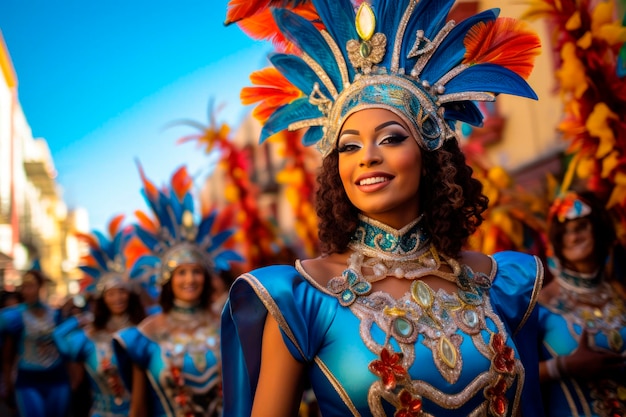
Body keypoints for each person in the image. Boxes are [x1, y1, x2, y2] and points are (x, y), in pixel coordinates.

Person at [221, 0, 546, 415]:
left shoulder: (499, 283)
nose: (367, 157)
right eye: (349, 145)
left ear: (430, 155)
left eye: (391, 138)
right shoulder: (303, 298)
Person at [113, 166, 242, 417]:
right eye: (181, 272)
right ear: (167, 281)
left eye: (196, 271)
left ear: (206, 277)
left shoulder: (228, 324)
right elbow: (139, 407)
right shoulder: (146, 335)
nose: (190, 279)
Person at [537, 191, 626, 416]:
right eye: (563, 232)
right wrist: (563, 367)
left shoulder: (620, 291)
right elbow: (510, 374)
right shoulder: (540, 304)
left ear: (599, 228)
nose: (573, 237)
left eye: (581, 227)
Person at [52, 216, 146, 417]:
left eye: (122, 292)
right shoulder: (90, 336)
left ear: (130, 295)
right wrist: (82, 319)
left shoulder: (144, 330)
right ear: (102, 299)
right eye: (111, 294)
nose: (118, 298)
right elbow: (58, 336)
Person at [0, 269, 71, 417]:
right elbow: (8, 354)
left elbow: (67, 350)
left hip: (57, 376)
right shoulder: (14, 316)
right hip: (28, 379)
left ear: (40, 286)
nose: (26, 291)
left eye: (31, 286)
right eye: (24, 286)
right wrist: (8, 382)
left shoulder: (56, 314)